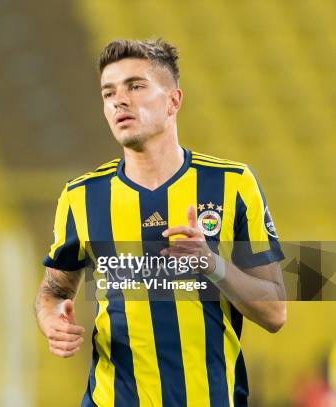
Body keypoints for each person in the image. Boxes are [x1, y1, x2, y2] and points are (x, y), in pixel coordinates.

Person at [34, 38, 287, 406]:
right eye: (109, 93)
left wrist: (211, 264)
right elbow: (55, 290)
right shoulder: (81, 197)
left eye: (135, 86)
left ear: (173, 101)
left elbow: (275, 311)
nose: (119, 100)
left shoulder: (232, 184)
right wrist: (52, 319)